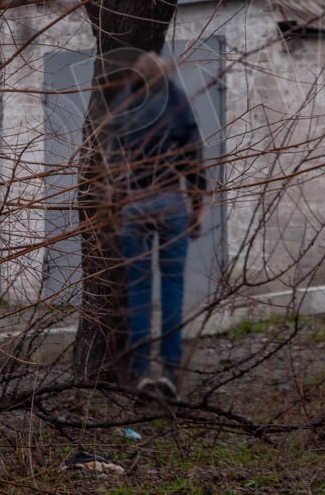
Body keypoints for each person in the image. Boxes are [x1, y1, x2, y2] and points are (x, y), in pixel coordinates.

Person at [103, 51, 207, 399]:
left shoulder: (123, 106)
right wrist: (197, 204)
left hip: (135, 205)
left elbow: (113, 164)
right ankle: (172, 372)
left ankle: (140, 374)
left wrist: (116, 206)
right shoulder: (175, 101)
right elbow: (193, 155)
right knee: (173, 286)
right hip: (170, 202)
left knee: (138, 292)